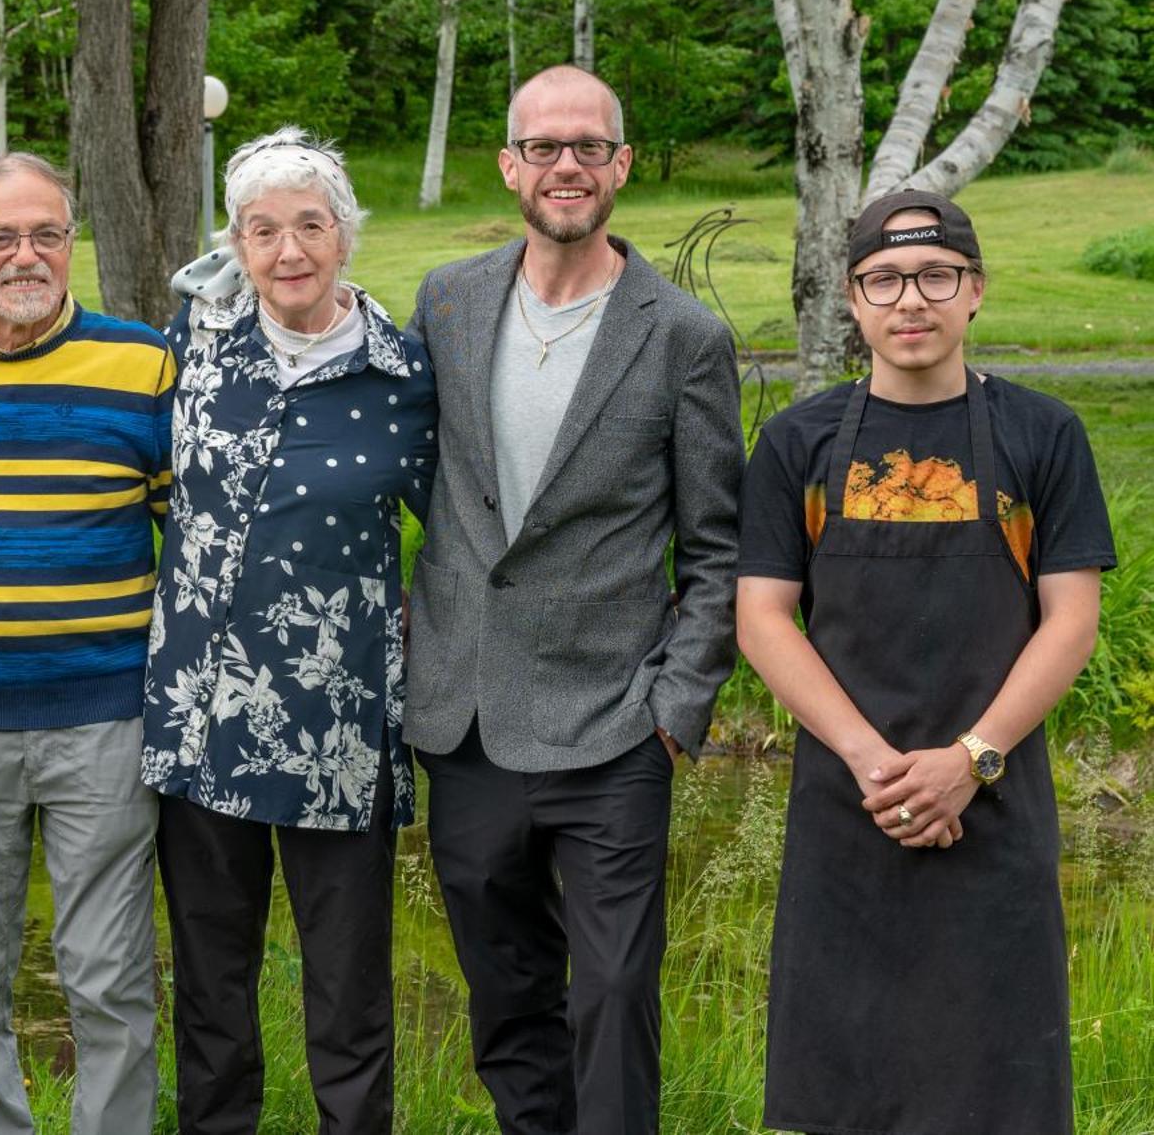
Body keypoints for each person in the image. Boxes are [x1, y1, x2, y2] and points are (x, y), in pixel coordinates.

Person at [405, 64, 743, 1134]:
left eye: (586, 147)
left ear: (620, 165)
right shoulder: (446, 301)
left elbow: (716, 546)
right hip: (464, 721)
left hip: (611, 729)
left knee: (608, 992)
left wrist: (673, 712)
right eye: (542, 147)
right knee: (504, 996)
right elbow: (315, 350)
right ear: (508, 165)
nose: (565, 165)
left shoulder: (682, 334)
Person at [736, 191, 1112, 1135]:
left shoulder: (1044, 434)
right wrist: (876, 763)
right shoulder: (798, 444)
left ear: (975, 291)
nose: (912, 300)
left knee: (1000, 1095)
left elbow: (1070, 621)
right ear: (853, 300)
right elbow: (764, 619)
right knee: (847, 1095)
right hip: (847, 811)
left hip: (994, 804)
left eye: (936, 276)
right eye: (885, 280)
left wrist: (970, 760)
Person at [142, 129, 437, 1134]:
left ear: (344, 233)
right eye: (261, 230)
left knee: (348, 992)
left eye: (309, 224)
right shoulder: (189, 348)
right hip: (199, 721)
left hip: (337, 734)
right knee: (210, 993)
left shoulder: (402, 374)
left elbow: (457, 538)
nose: (288, 249)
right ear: (237, 243)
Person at [0, 151, 174, 1135]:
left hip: (102, 721)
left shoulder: (142, 364)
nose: (26, 254)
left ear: (71, 243)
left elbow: (186, 534)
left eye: (46, 233)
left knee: (107, 977)